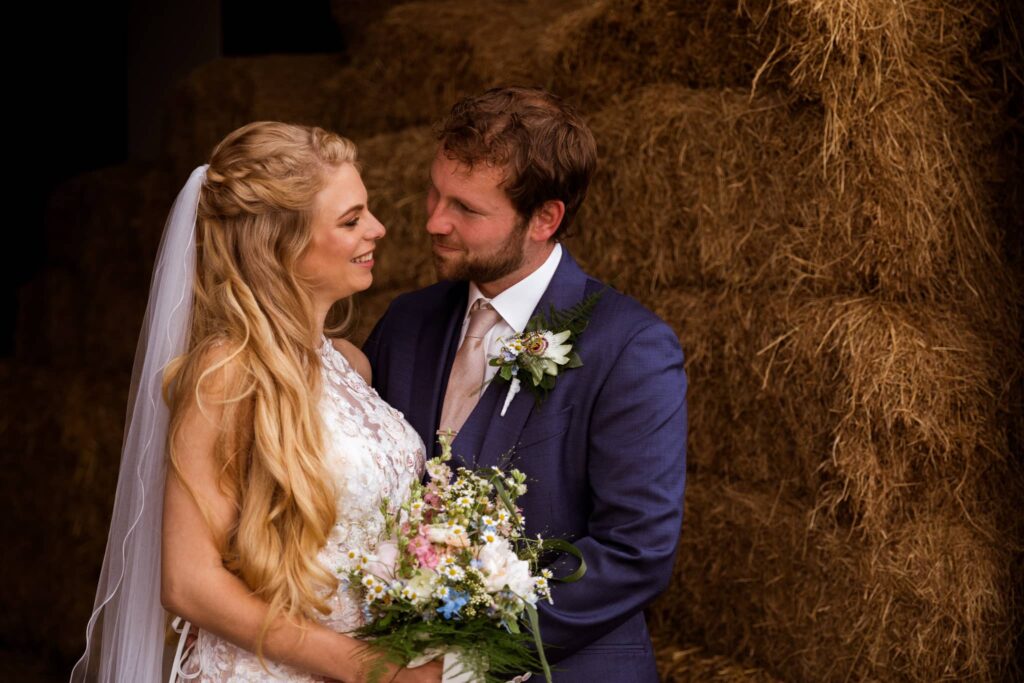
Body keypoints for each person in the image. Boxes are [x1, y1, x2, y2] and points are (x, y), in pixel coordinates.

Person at [70, 121, 443, 683]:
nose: (379, 229)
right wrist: (370, 669)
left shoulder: (352, 365)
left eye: (367, 211)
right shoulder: (228, 373)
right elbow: (189, 582)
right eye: (351, 219)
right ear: (280, 245)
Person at [363, 87, 688, 681]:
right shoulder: (404, 323)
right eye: (435, 192)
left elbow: (635, 552)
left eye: (466, 207)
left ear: (545, 218)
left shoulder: (632, 348)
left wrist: (462, 661)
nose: (434, 220)